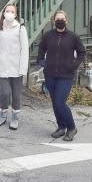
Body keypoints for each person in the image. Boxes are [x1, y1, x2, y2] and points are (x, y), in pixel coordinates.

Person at [37, 10, 86, 141]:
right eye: (57, 19)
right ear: (54, 21)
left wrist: (74, 65)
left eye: (62, 19)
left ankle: (71, 128)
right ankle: (61, 127)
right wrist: (42, 62)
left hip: (66, 75)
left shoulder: (73, 37)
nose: (60, 21)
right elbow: (41, 49)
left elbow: (81, 52)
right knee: (55, 103)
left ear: (66, 21)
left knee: (60, 102)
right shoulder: (48, 36)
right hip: (50, 74)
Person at [0, 4, 29, 130]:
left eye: (12, 11)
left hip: (17, 67)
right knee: (5, 92)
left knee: (16, 94)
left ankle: (15, 117)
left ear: (16, 14)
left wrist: (23, 68)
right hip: (3, 66)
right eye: (7, 11)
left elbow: (24, 50)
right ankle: (2, 115)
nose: (9, 13)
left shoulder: (20, 29)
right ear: (3, 13)